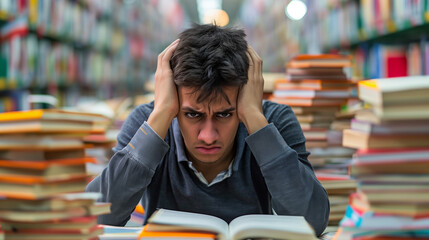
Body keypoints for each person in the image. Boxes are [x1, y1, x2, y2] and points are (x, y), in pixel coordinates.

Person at [86, 23, 330, 236]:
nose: (208, 136)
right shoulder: (148, 121)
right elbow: (95, 219)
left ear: (246, 96)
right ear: (173, 99)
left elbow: (313, 222)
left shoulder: (273, 121)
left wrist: (255, 119)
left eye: (225, 114)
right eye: (193, 114)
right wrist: (160, 115)